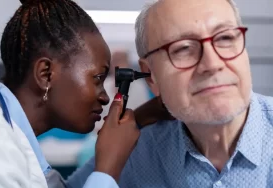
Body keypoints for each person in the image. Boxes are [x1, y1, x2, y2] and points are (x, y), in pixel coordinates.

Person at [65, 0, 273, 187]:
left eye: (225, 37)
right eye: (182, 49)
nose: (212, 64)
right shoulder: (137, 154)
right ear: (151, 76)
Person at [0, 0, 167, 187]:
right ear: (46, 74)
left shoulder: (9, 134)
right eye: (98, 78)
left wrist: (139, 119)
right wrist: (108, 170)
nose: (105, 97)